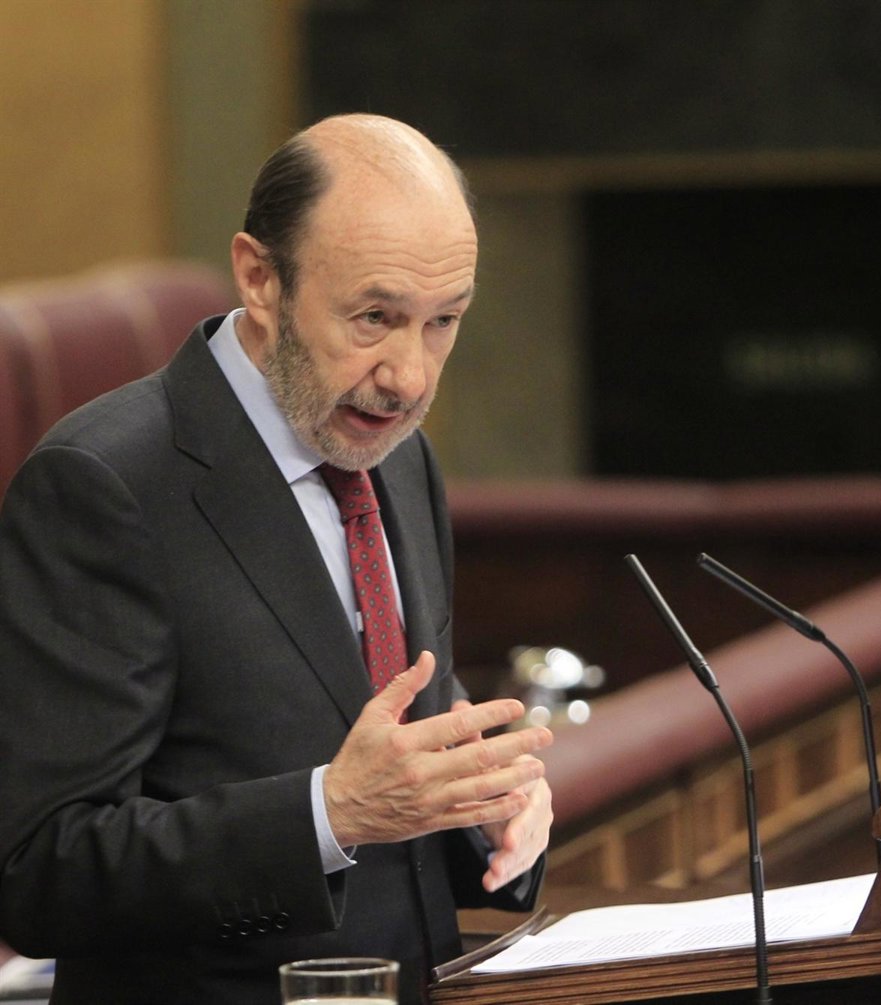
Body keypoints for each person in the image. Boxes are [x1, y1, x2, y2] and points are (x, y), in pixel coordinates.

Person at [0, 113, 554, 1004]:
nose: (410, 376)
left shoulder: (399, 456)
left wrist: (486, 810)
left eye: (443, 321)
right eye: (375, 317)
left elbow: (398, 724)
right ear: (260, 277)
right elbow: (41, 871)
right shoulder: (104, 484)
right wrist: (326, 814)